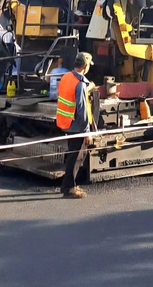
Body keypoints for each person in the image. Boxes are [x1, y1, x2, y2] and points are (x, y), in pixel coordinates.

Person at [56, 52, 94, 199]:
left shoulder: (66, 77)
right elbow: (82, 111)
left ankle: (67, 185)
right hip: (76, 125)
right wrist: (87, 133)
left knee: (72, 155)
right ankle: (70, 189)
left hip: (65, 121)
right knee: (77, 157)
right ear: (85, 66)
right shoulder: (80, 84)